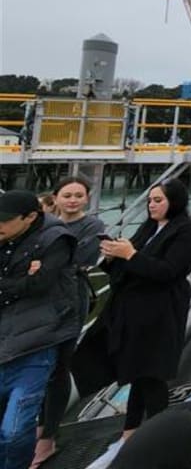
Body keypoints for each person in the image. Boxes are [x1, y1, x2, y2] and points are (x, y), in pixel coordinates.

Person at [81, 179, 191, 468]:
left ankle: (156, 435)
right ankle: (132, 430)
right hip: (133, 312)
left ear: (174, 201)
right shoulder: (150, 227)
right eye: (150, 200)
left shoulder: (187, 231)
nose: (152, 205)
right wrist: (113, 256)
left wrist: (131, 255)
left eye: (158, 200)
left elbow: (168, 270)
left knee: (152, 373)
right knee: (139, 371)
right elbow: (132, 260)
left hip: (160, 314)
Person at [0, 191, 79, 469]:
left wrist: (17, 284)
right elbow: (25, 286)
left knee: (14, 430)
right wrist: (21, 281)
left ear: (30, 217)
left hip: (37, 341)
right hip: (7, 338)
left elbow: (39, 285)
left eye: (5, 220)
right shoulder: (9, 238)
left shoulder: (56, 238)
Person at [34, 177, 106, 467]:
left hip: (71, 302)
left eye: (79, 195)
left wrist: (42, 262)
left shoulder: (93, 227)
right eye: (67, 195)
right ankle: (37, 425)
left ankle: (47, 436)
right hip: (39, 303)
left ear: (87, 198)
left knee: (59, 367)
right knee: (36, 365)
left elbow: (81, 258)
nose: (73, 200)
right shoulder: (43, 223)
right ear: (56, 197)